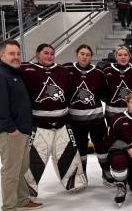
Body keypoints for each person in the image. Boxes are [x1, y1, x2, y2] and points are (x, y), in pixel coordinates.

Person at [0, 39, 42, 211]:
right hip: (10, 133)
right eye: (11, 53)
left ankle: (22, 200)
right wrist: (12, 129)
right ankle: (9, 208)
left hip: (22, 130)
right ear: (1, 55)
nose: (16, 57)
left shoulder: (14, 74)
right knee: (11, 171)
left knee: (21, 168)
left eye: (18, 53)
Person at [20, 44, 87, 197]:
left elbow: (69, 93)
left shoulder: (63, 71)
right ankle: (27, 188)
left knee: (68, 154)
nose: (49, 56)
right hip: (38, 126)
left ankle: (73, 181)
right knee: (34, 158)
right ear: (37, 54)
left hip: (62, 124)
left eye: (52, 53)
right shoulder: (26, 69)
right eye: (46, 53)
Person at [63, 45, 113, 186]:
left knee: (102, 147)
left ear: (91, 56)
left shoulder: (98, 73)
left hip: (96, 119)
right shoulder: (68, 70)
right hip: (75, 120)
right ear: (77, 54)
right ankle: (82, 173)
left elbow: (104, 94)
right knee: (80, 148)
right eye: (82, 54)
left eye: (87, 54)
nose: (84, 57)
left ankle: (106, 172)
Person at [102, 45, 132, 118]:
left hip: (130, 112)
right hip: (111, 112)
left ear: (129, 57)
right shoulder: (107, 69)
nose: (123, 57)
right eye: (120, 55)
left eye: (125, 55)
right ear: (116, 57)